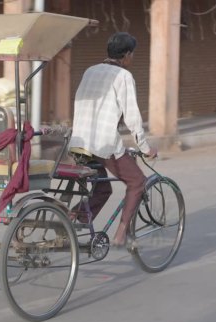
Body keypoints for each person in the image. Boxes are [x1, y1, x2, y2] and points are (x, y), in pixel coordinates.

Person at [69, 32, 157, 247]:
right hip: (102, 144)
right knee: (137, 182)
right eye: (132, 54)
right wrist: (145, 147)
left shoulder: (90, 71)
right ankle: (121, 234)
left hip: (80, 142)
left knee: (103, 189)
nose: (132, 58)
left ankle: (72, 218)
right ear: (126, 55)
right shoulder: (123, 76)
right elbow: (132, 118)